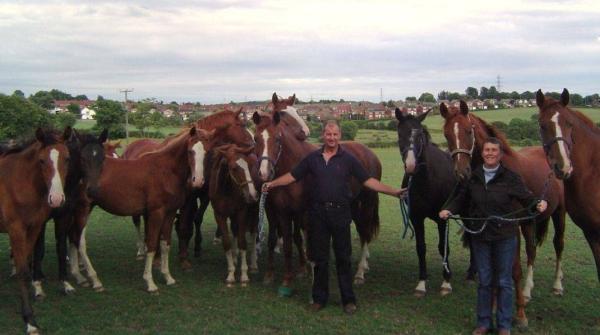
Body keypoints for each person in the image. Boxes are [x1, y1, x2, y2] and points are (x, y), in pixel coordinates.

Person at [262, 120, 404, 315]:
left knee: (343, 258)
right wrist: (272, 184)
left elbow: (368, 181)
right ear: (323, 136)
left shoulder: (348, 159)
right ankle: (320, 299)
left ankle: (348, 299)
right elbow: (293, 175)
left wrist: (394, 191)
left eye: (335, 135)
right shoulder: (313, 158)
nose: (332, 138)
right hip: (318, 215)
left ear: (339, 136)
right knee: (320, 259)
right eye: (328, 135)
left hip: (340, 214)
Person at [439, 137, 547, 335]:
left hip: (505, 235)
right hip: (481, 236)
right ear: (482, 153)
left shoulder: (510, 177)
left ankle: (504, 325)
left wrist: (538, 203)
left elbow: (526, 196)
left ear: (500, 154)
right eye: (487, 150)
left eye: (494, 150)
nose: (490, 153)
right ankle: (484, 323)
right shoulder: (473, 177)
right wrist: (448, 210)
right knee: (485, 280)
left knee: (504, 281)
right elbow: (460, 197)